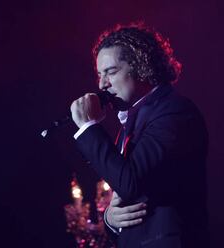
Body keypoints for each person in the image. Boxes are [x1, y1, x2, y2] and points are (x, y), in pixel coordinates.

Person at [70, 23, 209, 248]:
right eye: (99, 75)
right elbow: (126, 195)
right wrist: (110, 220)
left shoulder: (174, 112)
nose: (101, 84)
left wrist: (88, 127)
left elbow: (130, 182)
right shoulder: (133, 122)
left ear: (143, 66)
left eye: (111, 72)